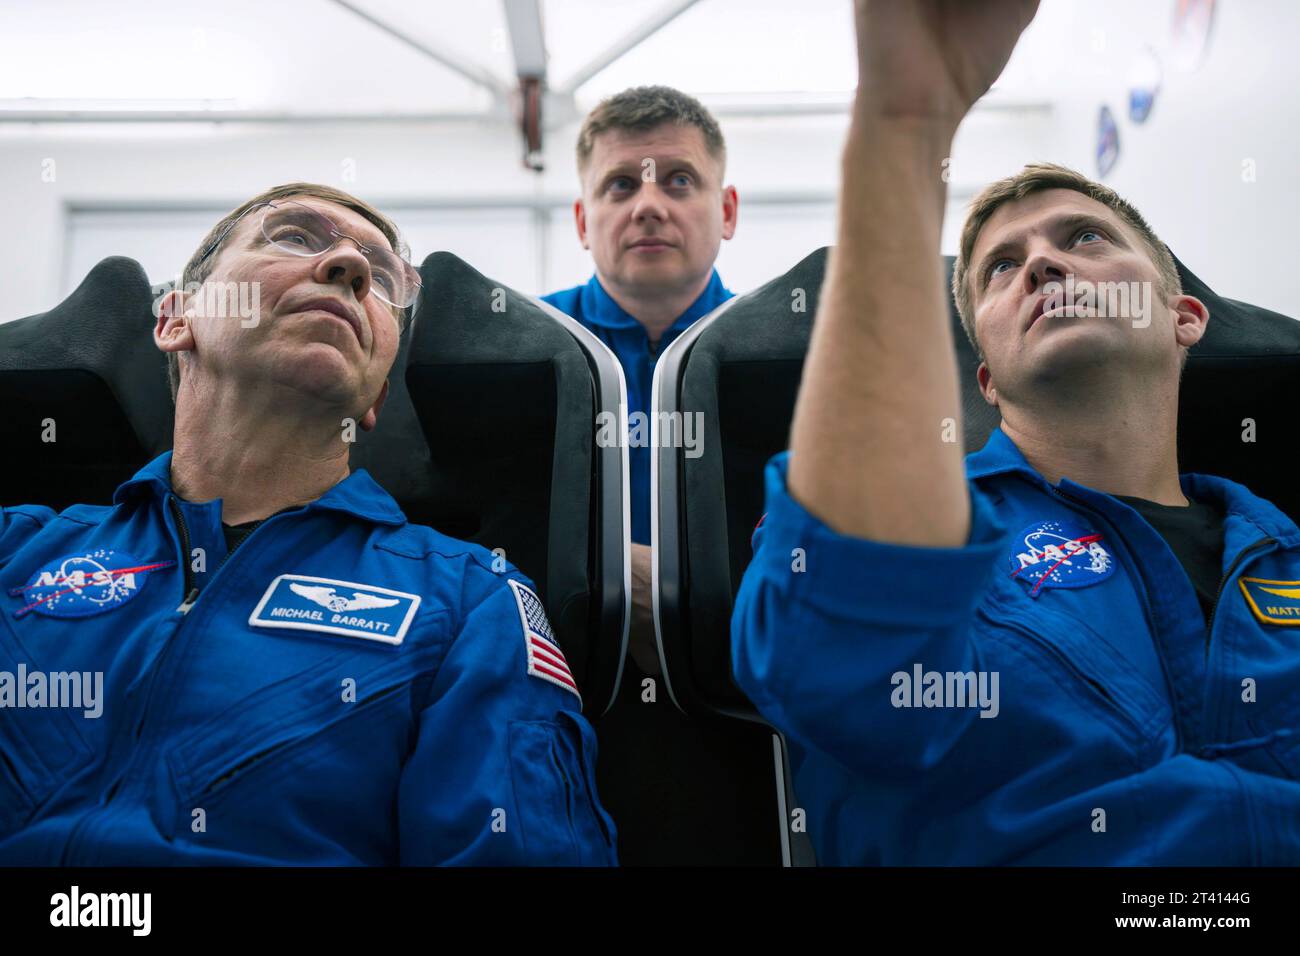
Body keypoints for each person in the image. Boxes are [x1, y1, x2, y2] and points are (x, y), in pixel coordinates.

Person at [731, 0, 1300, 865]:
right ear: (986, 378)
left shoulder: (1284, 549)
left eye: (1085, 238)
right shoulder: (925, 529)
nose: (1042, 263)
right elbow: (834, 663)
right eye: (1002, 266)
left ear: (1185, 316)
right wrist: (904, 125)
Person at [0, 183, 617, 866]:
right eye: (295, 237)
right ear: (177, 320)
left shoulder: (474, 599)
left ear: (377, 393)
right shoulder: (17, 552)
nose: (350, 268)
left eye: (381, 278)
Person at [544, 85, 738, 675]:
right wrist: (605, 569)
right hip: (556, 677)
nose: (648, 205)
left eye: (679, 180)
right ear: (583, 219)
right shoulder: (515, 348)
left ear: (726, 211)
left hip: (744, 691)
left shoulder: (792, 352)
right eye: (621, 184)